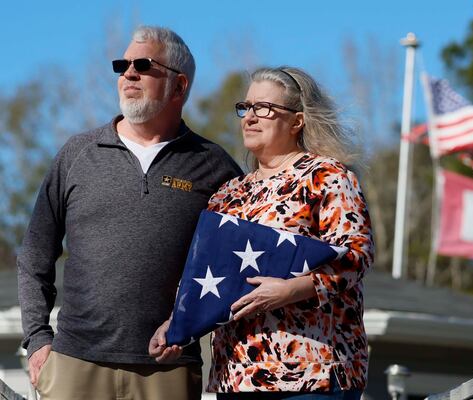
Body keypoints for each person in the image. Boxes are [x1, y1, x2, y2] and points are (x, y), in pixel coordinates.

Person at [17, 25, 241, 400]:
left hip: (169, 369)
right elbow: (35, 254)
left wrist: (190, 326)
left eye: (143, 64)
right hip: (75, 364)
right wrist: (37, 338)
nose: (129, 73)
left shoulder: (215, 166)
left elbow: (239, 263)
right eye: (123, 65)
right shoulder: (77, 154)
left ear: (180, 86)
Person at [151, 66, 374, 399]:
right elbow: (205, 274)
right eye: (246, 107)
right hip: (237, 374)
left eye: (264, 108)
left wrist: (290, 290)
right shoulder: (227, 194)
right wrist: (176, 325)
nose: (250, 117)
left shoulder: (326, 175)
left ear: (297, 121)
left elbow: (356, 255)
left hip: (312, 373)